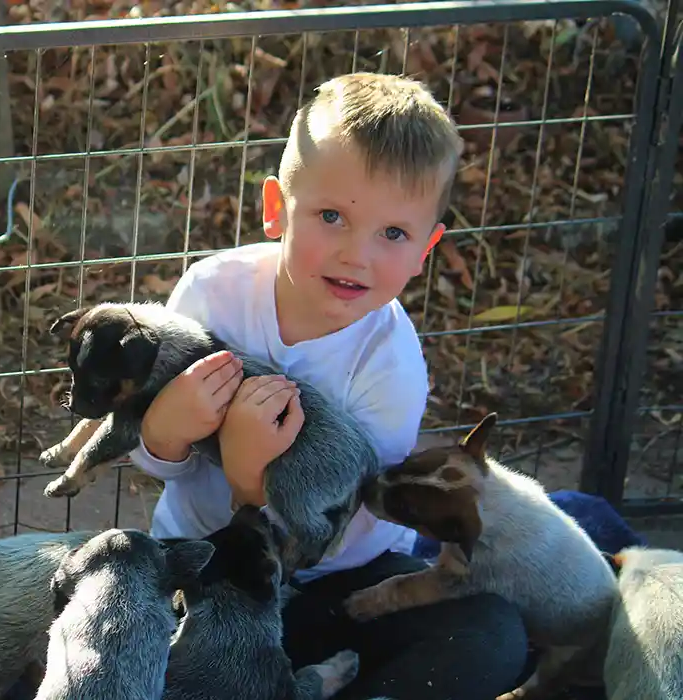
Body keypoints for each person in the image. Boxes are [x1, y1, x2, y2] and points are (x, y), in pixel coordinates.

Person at [129, 72, 529, 699]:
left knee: (493, 634)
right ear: (275, 209)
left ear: (426, 248)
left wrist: (247, 479)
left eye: (392, 234)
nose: (356, 255)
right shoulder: (210, 295)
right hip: (206, 575)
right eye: (332, 216)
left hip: (341, 582)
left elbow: (346, 518)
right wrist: (164, 431)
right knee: (114, 623)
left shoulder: (390, 366)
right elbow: (157, 464)